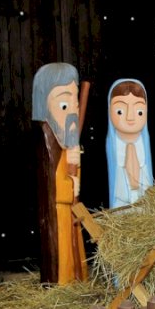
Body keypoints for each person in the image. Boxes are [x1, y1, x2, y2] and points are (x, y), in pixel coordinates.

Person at [32, 62, 87, 285]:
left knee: (75, 249)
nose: (73, 112)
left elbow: (74, 183)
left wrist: (76, 164)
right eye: (64, 105)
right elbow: (53, 188)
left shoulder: (67, 142)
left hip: (71, 212)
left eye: (75, 104)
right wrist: (71, 183)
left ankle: (77, 280)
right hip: (58, 214)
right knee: (63, 251)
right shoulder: (48, 142)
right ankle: (62, 283)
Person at [106, 78, 153, 209]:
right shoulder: (114, 147)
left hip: (143, 203)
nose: (130, 117)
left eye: (139, 112)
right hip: (121, 203)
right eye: (120, 111)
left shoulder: (144, 145)